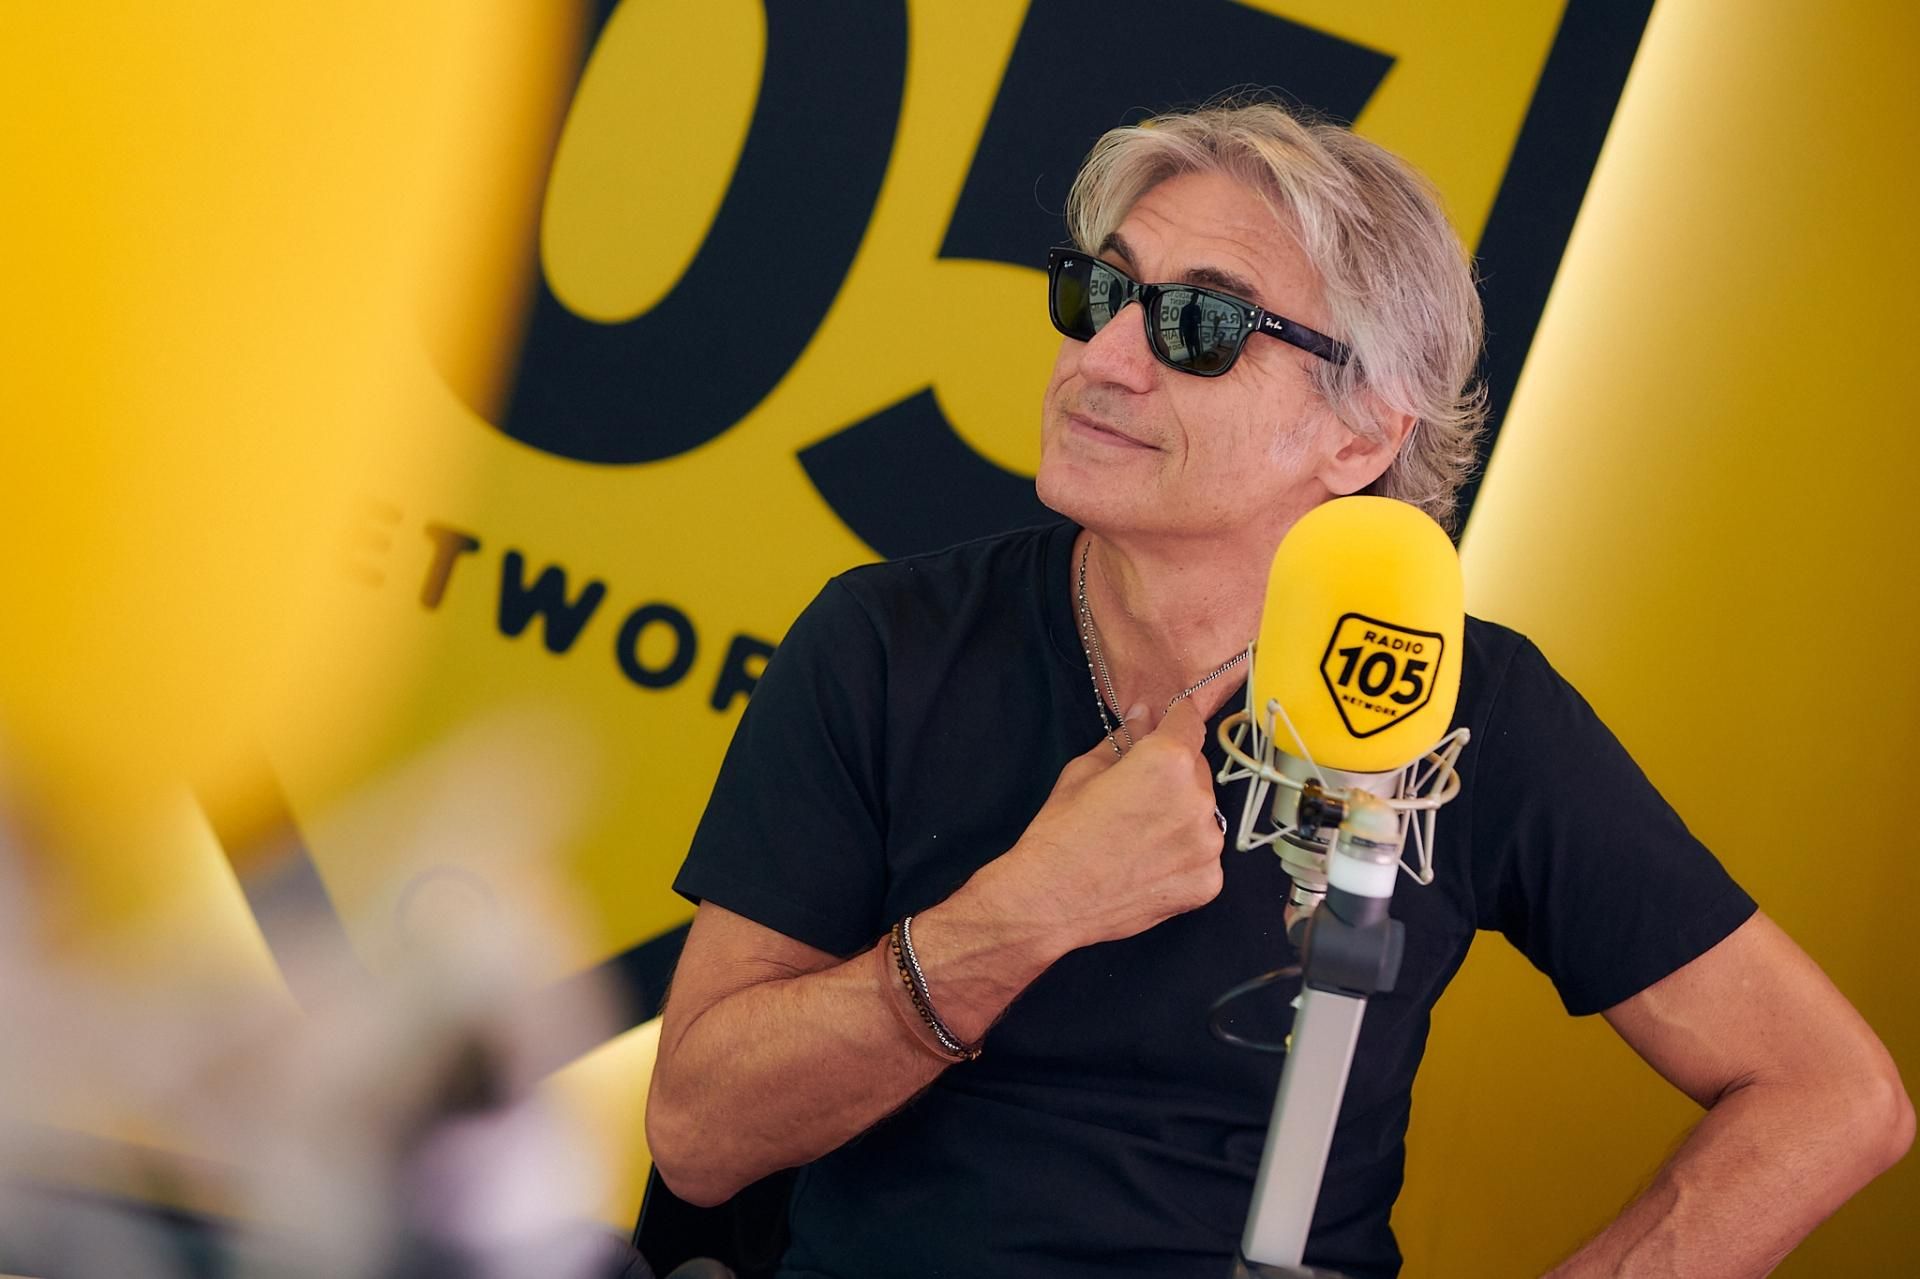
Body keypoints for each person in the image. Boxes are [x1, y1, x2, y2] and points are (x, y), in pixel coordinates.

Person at [644, 101, 1912, 1278]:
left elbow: (1835, 1099)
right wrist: (1027, 912)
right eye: (1100, 293)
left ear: (1360, 434)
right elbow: (699, 1138)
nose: (1105, 357)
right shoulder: (884, 642)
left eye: (1201, 325)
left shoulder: (1460, 704)